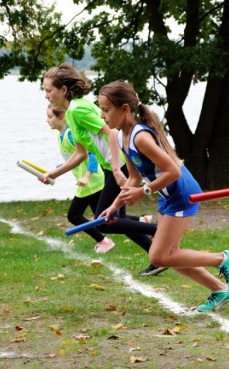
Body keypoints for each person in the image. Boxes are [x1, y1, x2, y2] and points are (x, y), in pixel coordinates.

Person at [97, 80, 229, 312]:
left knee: (160, 255)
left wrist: (143, 192)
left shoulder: (140, 136)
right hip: (168, 194)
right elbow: (133, 178)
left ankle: (223, 259)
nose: (103, 116)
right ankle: (220, 289)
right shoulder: (123, 137)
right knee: (169, 255)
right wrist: (114, 205)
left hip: (181, 192)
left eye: (106, 109)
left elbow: (173, 170)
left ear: (124, 109)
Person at [42, 64, 164, 275]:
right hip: (112, 166)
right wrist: (55, 173)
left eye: (48, 90)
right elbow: (80, 153)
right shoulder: (71, 114)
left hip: (120, 165)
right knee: (118, 220)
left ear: (63, 90)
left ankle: (160, 231)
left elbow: (112, 133)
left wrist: (117, 169)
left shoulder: (79, 110)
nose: (46, 96)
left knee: (105, 221)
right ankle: (158, 255)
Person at [45, 105, 114, 253]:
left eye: (50, 117)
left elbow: (92, 153)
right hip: (88, 184)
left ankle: (103, 241)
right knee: (107, 219)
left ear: (61, 117)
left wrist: (87, 175)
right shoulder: (60, 136)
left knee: (74, 215)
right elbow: (71, 160)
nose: (47, 120)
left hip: (91, 182)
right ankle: (143, 222)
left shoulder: (71, 134)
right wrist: (54, 171)